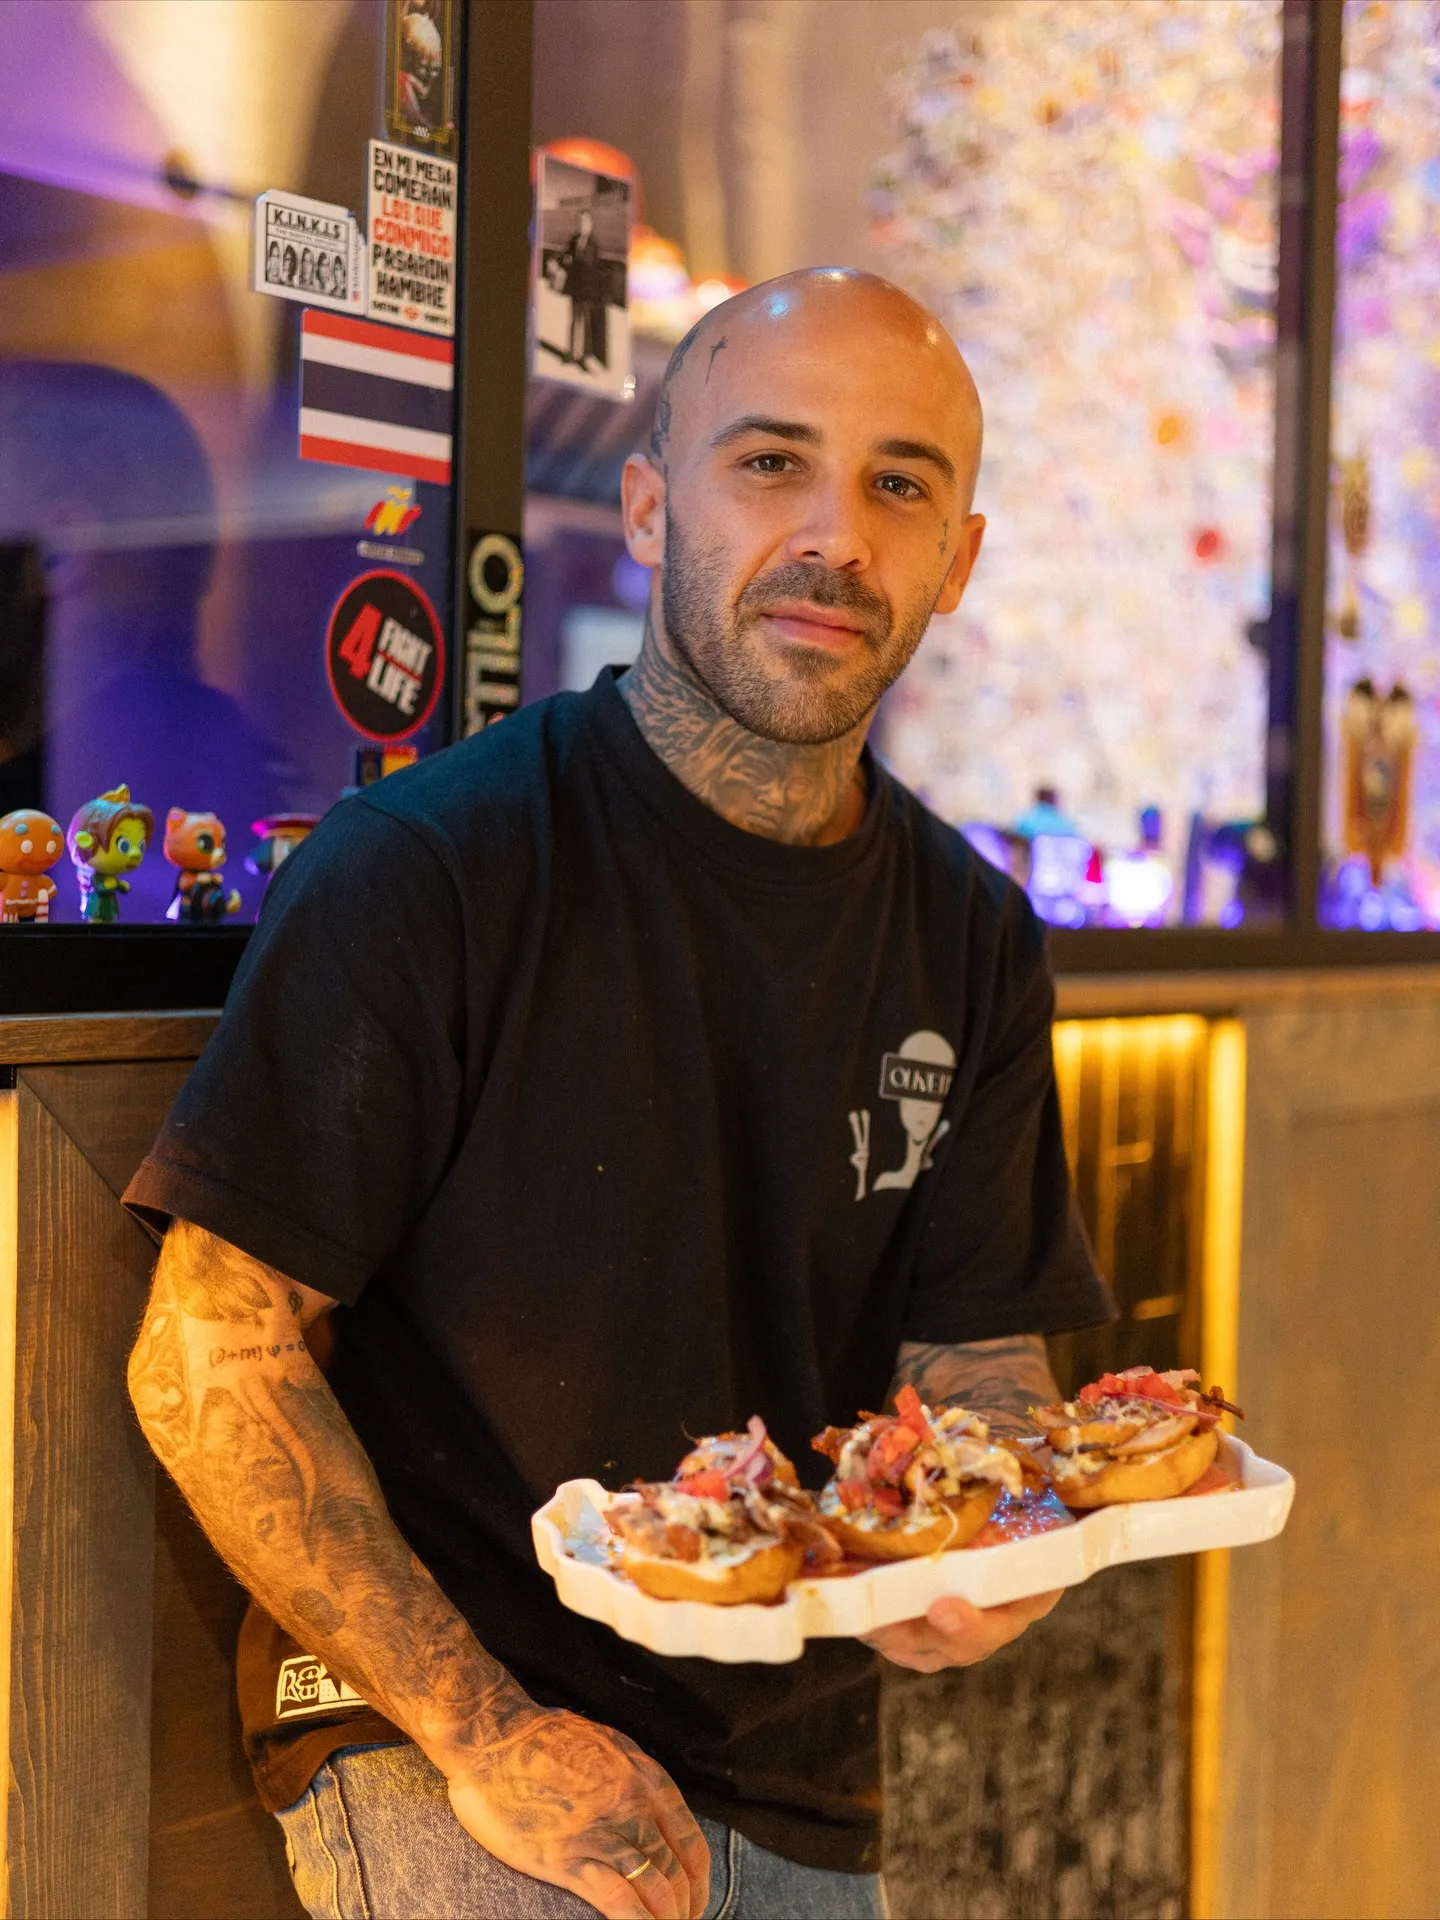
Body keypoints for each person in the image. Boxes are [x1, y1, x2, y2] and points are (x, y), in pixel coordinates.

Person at [125, 268, 1112, 1920]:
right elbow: (209, 1353)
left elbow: (980, 1348)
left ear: (959, 556)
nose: (837, 539)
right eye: (771, 463)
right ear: (650, 507)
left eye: (899, 485)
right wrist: (490, 1730)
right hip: (445, 1724)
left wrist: (988, 1527)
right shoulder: (434, 869)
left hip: (805, 1756)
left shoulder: (973, 934)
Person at [555, 206, 606, 370]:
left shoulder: (593, 244)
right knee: (573, 321)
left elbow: (591, 268)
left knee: (585, 323)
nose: (582, 224)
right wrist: (562, 261)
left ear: (590, 223)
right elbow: (565, 256)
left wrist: (573, 263)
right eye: (580, 221)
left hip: (587, 291)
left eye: (585, 221)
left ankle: (583, 356)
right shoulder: (574, 239)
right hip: (576, 288)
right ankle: (570, 354)